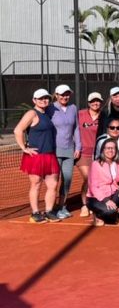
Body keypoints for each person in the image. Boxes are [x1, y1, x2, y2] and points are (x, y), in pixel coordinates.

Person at [13, 88, 60, 223]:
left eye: (46, 98)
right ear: (34, 100)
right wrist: (24, 148)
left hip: (49, 155)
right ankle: (35, 213)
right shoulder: (32, 113)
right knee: (36, 184)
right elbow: (18, 130)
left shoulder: (47, 113)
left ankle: (49, 211)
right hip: (36, 156)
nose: (44, 100)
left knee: (53, 184)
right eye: (40, 98)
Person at [50, 83, 81, 218]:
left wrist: (78, 147)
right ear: (56, 95)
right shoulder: (50, 108)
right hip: (55, 150)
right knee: (54, 181)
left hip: (69, 150)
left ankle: (62, 207)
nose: (65, 97)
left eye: (67, 94)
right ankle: (51, 208)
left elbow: (76, 128)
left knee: (67, 179)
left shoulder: (73, 108)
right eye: (62, 94)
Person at [86, 139, 119, 227]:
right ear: (103, 150)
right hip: (96, 198)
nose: (110, 150)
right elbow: (93, 187)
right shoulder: (96, 164)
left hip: (113, 194)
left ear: (116, 150)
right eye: (108, 148)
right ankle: (98, 215)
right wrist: (106, 200)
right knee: (110, 212)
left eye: (113, 148)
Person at [76, 92, 105, 217]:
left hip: (98, 154)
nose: (95, 103)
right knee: (88, 178)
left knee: (97, 180)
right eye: (93, 101)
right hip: (83, 153)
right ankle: (84, 205)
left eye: (97, 101)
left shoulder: (104, 116)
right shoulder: (80, 114)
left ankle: (94, 203)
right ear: (88, 103)